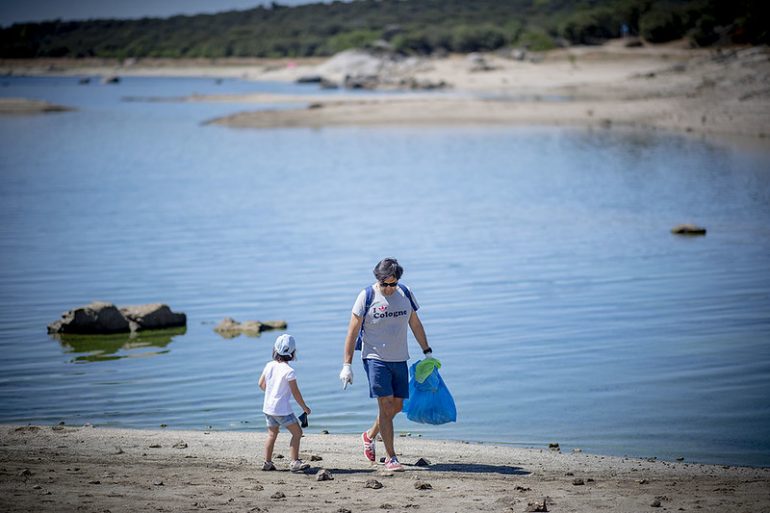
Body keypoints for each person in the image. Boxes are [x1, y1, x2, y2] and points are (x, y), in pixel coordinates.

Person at [339, 257, 434, 471]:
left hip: (399, 357)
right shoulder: (366, 296)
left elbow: (415, 324)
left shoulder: (406, 294)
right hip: (374, 358)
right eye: (385, 284)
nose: (389, 289)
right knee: (385, 404)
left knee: (397, 406)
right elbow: (352, 331)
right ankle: (391, 457)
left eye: (393, 284)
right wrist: (347, 364)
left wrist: (427, 351)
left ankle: (369, 435)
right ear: (378, 280)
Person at [259, 333, 312, 472]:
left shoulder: (269, 365)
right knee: (297, 433)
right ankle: (294, 462)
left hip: (268, 408)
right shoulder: (289, 371)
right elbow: (295, 393)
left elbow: (261, 384)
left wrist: (272, 392)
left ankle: (267, 462)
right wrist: (305, 407)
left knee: (271, 435)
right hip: (282, 409)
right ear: (292, 353)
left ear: (275, 350)